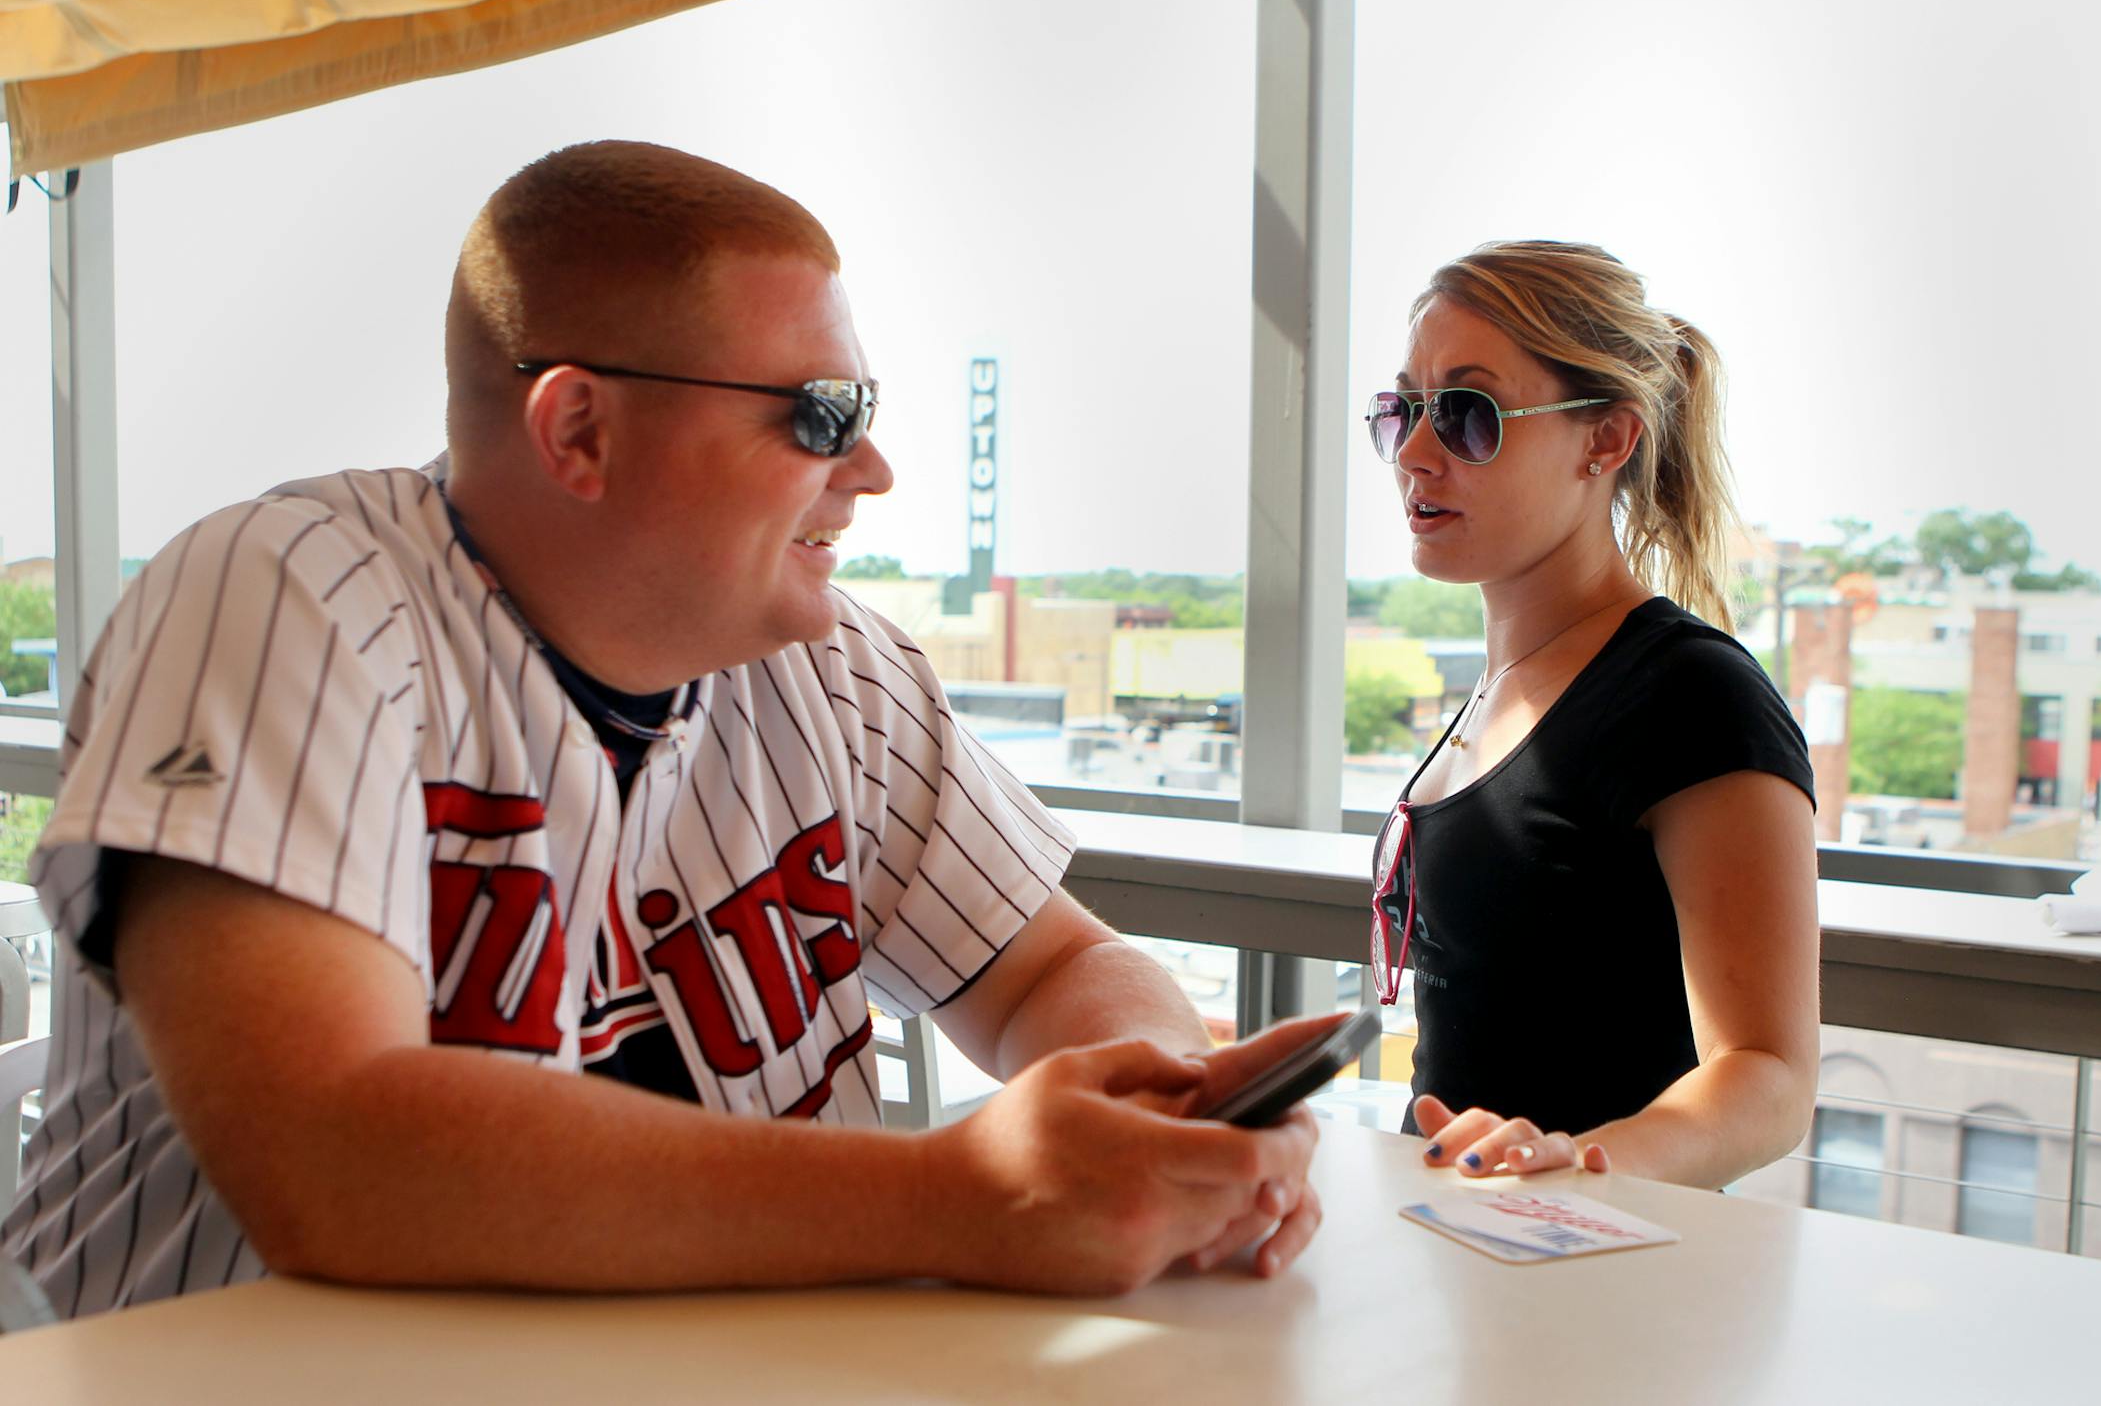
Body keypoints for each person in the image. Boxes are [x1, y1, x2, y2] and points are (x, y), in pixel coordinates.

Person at [2, 141, 1327, 1318]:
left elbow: (1051, 972)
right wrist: (962, 1192)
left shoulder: (837, 666)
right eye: (820, 416)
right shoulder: (283, 597)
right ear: (580, 426)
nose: (871, 471)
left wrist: (1158, 1121)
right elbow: (334, 1153)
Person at [1364, 241, 1820, 1188]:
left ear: (1604, 440)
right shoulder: (1500, 684)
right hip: (1463, 1252)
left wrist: (1581, 1161)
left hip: (1601, 1279)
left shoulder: (1691, 696)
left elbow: (1769, 1075)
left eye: (1466, 414)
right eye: (1403, 409)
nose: (1414, 451)